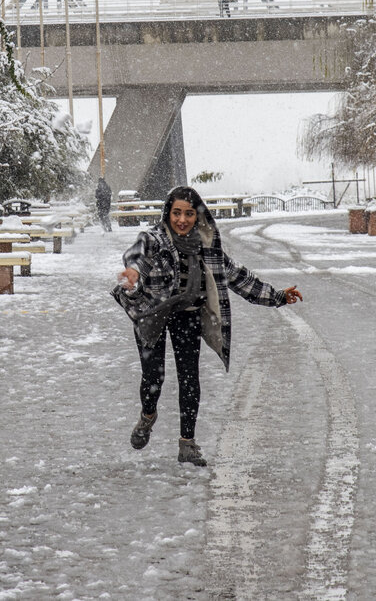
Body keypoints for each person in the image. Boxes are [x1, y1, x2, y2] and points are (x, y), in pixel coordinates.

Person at [112, 186, 302, 466]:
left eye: (189, 214)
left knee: (189, 377)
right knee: (154, 378)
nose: (182, 220)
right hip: (151, 313)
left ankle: (187, 444)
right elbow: (137, 255)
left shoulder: (205, 245)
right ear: (168, 214)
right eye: (176, 213)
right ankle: (148, 415)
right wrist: (134, 272)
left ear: (197, 216)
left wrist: (277, 296)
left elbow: (238, 276)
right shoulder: (153, 238)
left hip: (187, 314)